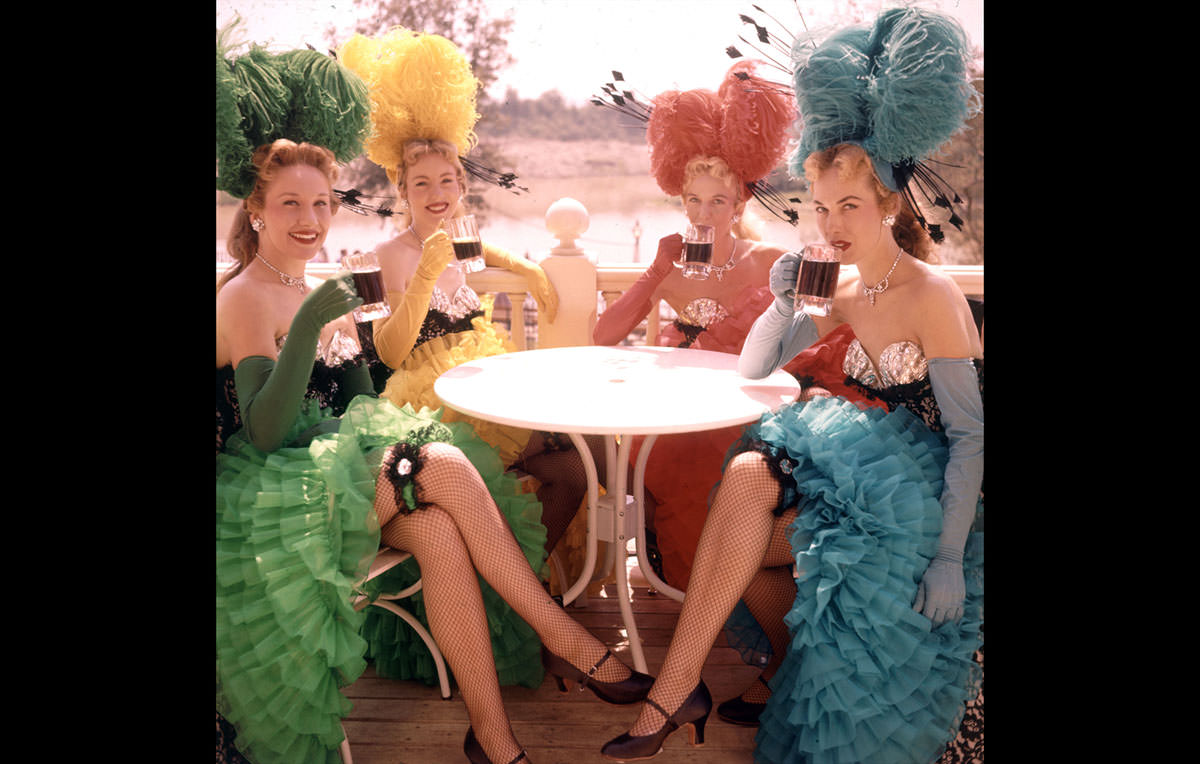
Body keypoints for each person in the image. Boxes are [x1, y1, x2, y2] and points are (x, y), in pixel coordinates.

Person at [215, 38, 650, 764]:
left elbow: (360, 403)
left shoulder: (312, 285)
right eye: (290, 203)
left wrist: (353, 330)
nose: (310, 219)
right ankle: (565, 638)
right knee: (440, 464)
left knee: (445, 534)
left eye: (322, 204)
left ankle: (495, 739)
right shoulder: (243, 296)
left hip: (338, 479)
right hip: (276, 499)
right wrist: (311, 330)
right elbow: (263, 431)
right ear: (256, 210)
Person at [599, 9, 983, 763]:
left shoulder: (931, 295)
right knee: (744, 483)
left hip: (927, 498)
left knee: (744, 510)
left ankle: (674, 694)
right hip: (862, 480)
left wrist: (947, 556)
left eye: (850, 207)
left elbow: (972, 434)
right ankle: (677, 689)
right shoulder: (834, 288)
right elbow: (753, 369)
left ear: (887, 207)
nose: (833, 222)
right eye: (820, 206)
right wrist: (782, 306)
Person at [339, 28, 592, 574]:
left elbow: (480, 250)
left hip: (485, 376)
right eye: (423, 184)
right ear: (401, 191)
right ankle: (502, 589)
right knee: (523, 472)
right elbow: (388, 351)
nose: (438, 195)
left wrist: (525, 266)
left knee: (575, 465)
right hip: (432, 401)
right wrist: (424, 278)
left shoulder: (458, 238)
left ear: (461, 187)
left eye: (448, 182)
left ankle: (519, 582)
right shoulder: (385, 255)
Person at [590, 59, 798, 595]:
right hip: (682, 408)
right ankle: (689, 587)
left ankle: (716, 589)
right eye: (693, 201)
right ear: (681, 201)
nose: (704, 214)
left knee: (719, 463)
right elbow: (603, 335)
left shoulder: (769, 258)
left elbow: (817, 313)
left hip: (749, 405)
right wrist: (656, 271)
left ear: (740, 203)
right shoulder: (671, 267)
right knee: (673, 458)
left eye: (718, 201)